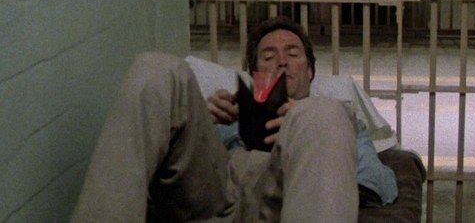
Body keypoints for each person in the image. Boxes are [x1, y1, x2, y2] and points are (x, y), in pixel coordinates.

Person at [72, 16, 397, 222]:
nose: (282, 62)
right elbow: (165, 177)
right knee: (155, 68)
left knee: (323, 112)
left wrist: (307, 126)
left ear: (310, 71)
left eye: (293, 54)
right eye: (268, 56)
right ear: (254, 75)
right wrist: (198, 120)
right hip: (214, 195)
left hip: (285, 200)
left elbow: (380, 187)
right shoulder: (227, 116)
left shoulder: (335, 117)